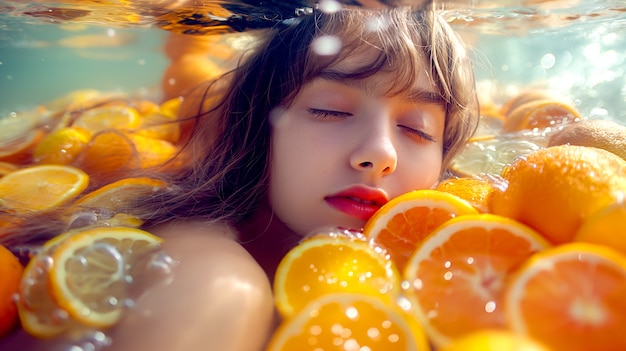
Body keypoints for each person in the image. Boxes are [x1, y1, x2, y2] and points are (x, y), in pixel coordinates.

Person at [0, 4, 478, 351]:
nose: (380, 153)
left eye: (417, 129)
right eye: (330, 110)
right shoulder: (221, 281)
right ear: (255, 127)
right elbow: (211, 295)